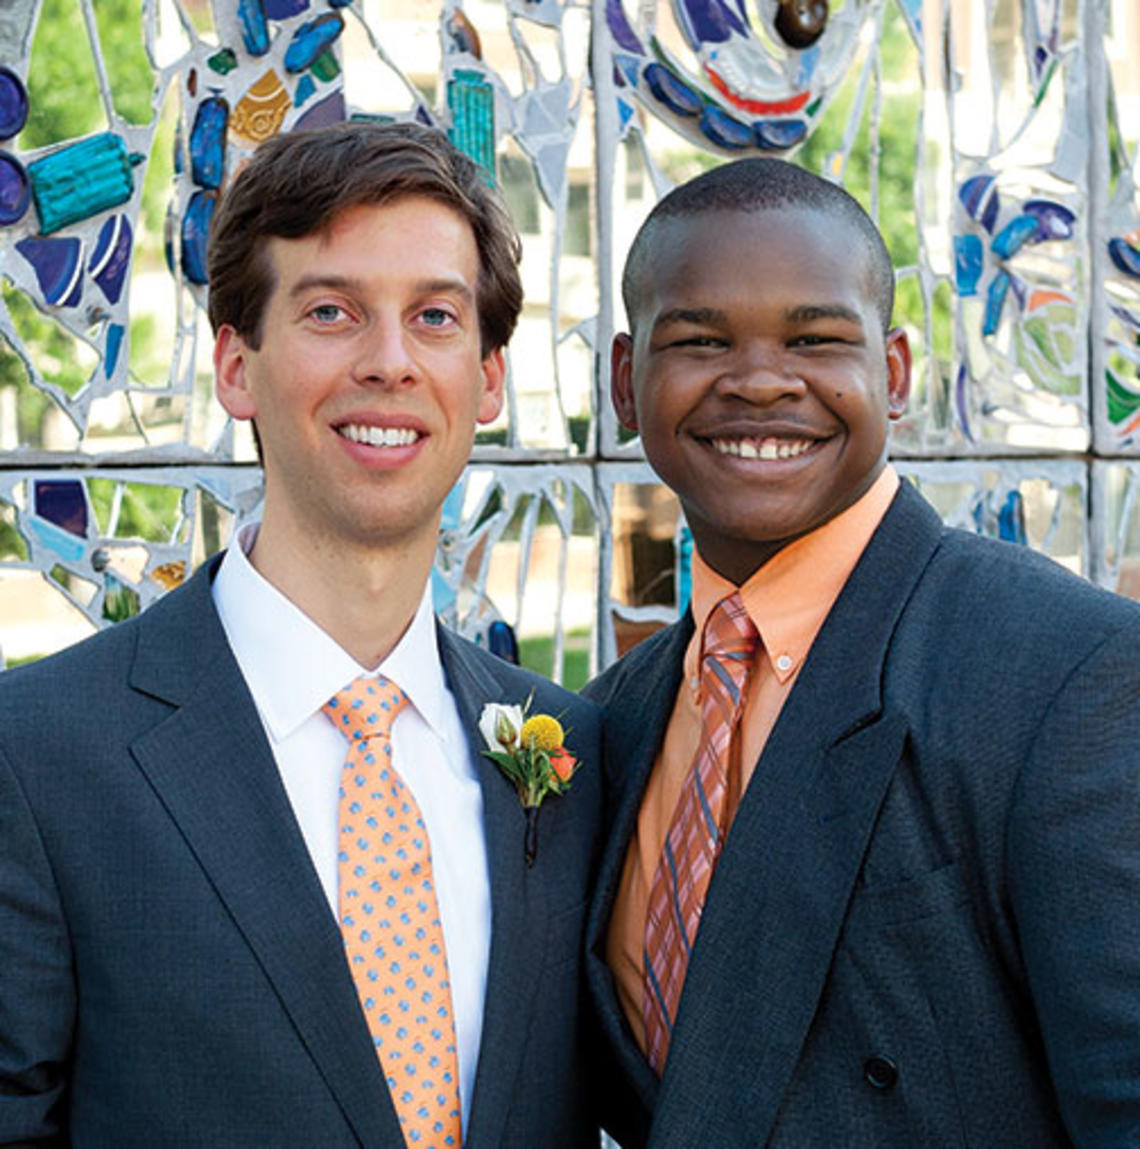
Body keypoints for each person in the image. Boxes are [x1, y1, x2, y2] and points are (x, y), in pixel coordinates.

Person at [0, 122, 602, 1149]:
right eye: (332, 311)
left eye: (436, 317)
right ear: (236, 364)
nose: (390, 362)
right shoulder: (36, 756)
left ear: (490, 381)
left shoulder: (570, 751)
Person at [583, 157, 1140, 1148]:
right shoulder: (613, 720)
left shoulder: (1071, 671)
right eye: (702, 339)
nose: (759, 380)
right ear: (628, 382)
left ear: (894, 373)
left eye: (816, 338)